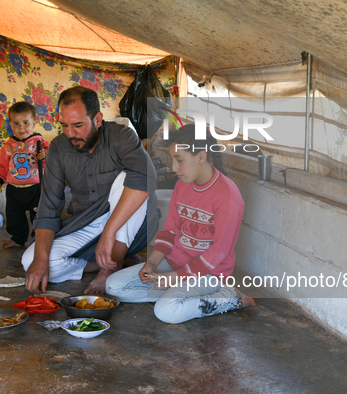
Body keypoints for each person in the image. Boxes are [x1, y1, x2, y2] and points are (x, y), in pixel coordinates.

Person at [106, 124, 257, 324]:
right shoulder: (182, 185)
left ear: (201, 157)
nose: (174, 168)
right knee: (113, 287)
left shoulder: (228, 196)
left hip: (209, 273)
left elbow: (218, 252)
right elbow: (169, 231)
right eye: (172, 160)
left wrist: (176, 277)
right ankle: (182, 295)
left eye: (179, 160)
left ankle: (230, 297)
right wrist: (152, 263)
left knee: (166, 311)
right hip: (174, 263)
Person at [22, 86, 158, 294]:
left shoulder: (121, 136)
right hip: (87, 225)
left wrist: (109, 231)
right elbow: (48, 209)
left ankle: (107, 270)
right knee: (30, 260)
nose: (70, 134)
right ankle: (112, 262)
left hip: (130, 223)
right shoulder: (58, 149)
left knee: (130, 179)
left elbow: (147, 178)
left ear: (97, 119)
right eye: (64, 126)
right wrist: (41, 260)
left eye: (77, 125)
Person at [0, 102, 49, 248]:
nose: (21, 127)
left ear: (34, 123)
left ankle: (38, 239)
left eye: (25, 122)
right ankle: (18, 239)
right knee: (14, 216)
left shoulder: (39, 143)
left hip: (36, 187)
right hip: (14, 189)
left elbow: (52, 159)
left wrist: (45, 155)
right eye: (16, 123)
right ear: (10, 124)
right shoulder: (7, 147)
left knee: (38, 215)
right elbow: (2, 167)